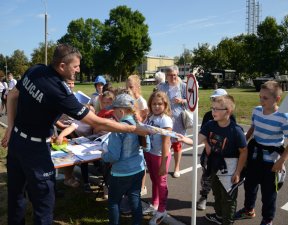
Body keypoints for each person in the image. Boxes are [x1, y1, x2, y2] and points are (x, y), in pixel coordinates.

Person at [1, 43, 147, 225]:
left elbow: (13, 95)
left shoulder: (36, 70)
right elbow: (95, 122)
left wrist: (10, 127)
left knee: (16, 197)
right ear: (62, 66)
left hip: (16, 142)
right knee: (44, 205)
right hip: (36, 150)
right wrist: (132, 128)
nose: (78, 70)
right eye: (76, 66)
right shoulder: (59, 91)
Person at [235, 81, 288, 225]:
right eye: (260, 97)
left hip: (272, 163)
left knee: (269, 194)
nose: (261, 101)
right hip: (254, 157)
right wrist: (243, 143)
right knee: (249, 186)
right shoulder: (256, 110)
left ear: (277, 99)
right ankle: (248, 209)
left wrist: (281, 161)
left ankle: (267, 219)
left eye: (265, 98)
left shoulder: (284, 117)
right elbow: (252, 128)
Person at [178, 95, 248, 225]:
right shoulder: (210, 125)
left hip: (230, 169)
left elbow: (244, 152)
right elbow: (196, 141)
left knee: (228, 198)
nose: (213, 112)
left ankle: (228, 221)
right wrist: (183, 139)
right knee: (217, 193)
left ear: (228, 111)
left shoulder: (236, 130)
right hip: (214, 166)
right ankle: (219, 216)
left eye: (217, 109)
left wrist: (238, 172)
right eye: (212, 108)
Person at [102, 93, 148, 225]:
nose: (113, 113)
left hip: (121, 173)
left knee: (114, 202)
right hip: (138, 169)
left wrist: (103, 155)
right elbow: (147, 148)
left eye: (114, 110)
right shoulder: (140, 126)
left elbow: (113, 156)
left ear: (121, 111)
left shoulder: (117, 130)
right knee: (135, 199)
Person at [197, 88, 236, 210]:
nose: (214, 101)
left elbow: (231, 136)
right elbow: (202, 133)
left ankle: (218, 199)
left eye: (217, 99)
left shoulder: (231, 117)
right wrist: (207, 146)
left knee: (220, 177)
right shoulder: (208, 115)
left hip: (223, 154)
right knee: (207, 174)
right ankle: (203, 196)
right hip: (209, 151)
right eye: (213, 99)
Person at [142, 91, 173, 225]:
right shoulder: (150, 116)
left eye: (160, 104)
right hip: (150, 153)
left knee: (161, 182)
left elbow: (166, 143)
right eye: (154, 104)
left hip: (161, 156)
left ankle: (162, 210)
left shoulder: (165, 120)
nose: (156, 106)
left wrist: (163, 164)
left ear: (165, 104)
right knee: (154, 179)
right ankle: (155, 204)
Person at [158, 65, 187, 178]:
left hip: (179, 119)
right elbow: (157, 99)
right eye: (170, 75)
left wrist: (182, 100)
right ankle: (163, 166)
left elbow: (192, 101)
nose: (172, 77)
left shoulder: (183, 86)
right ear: (166, 76)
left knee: (177, 144)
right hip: (164, 119)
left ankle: (177, 167)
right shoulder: (161, 87)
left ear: (177, 75)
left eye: (174, 75)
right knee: (165, 143)